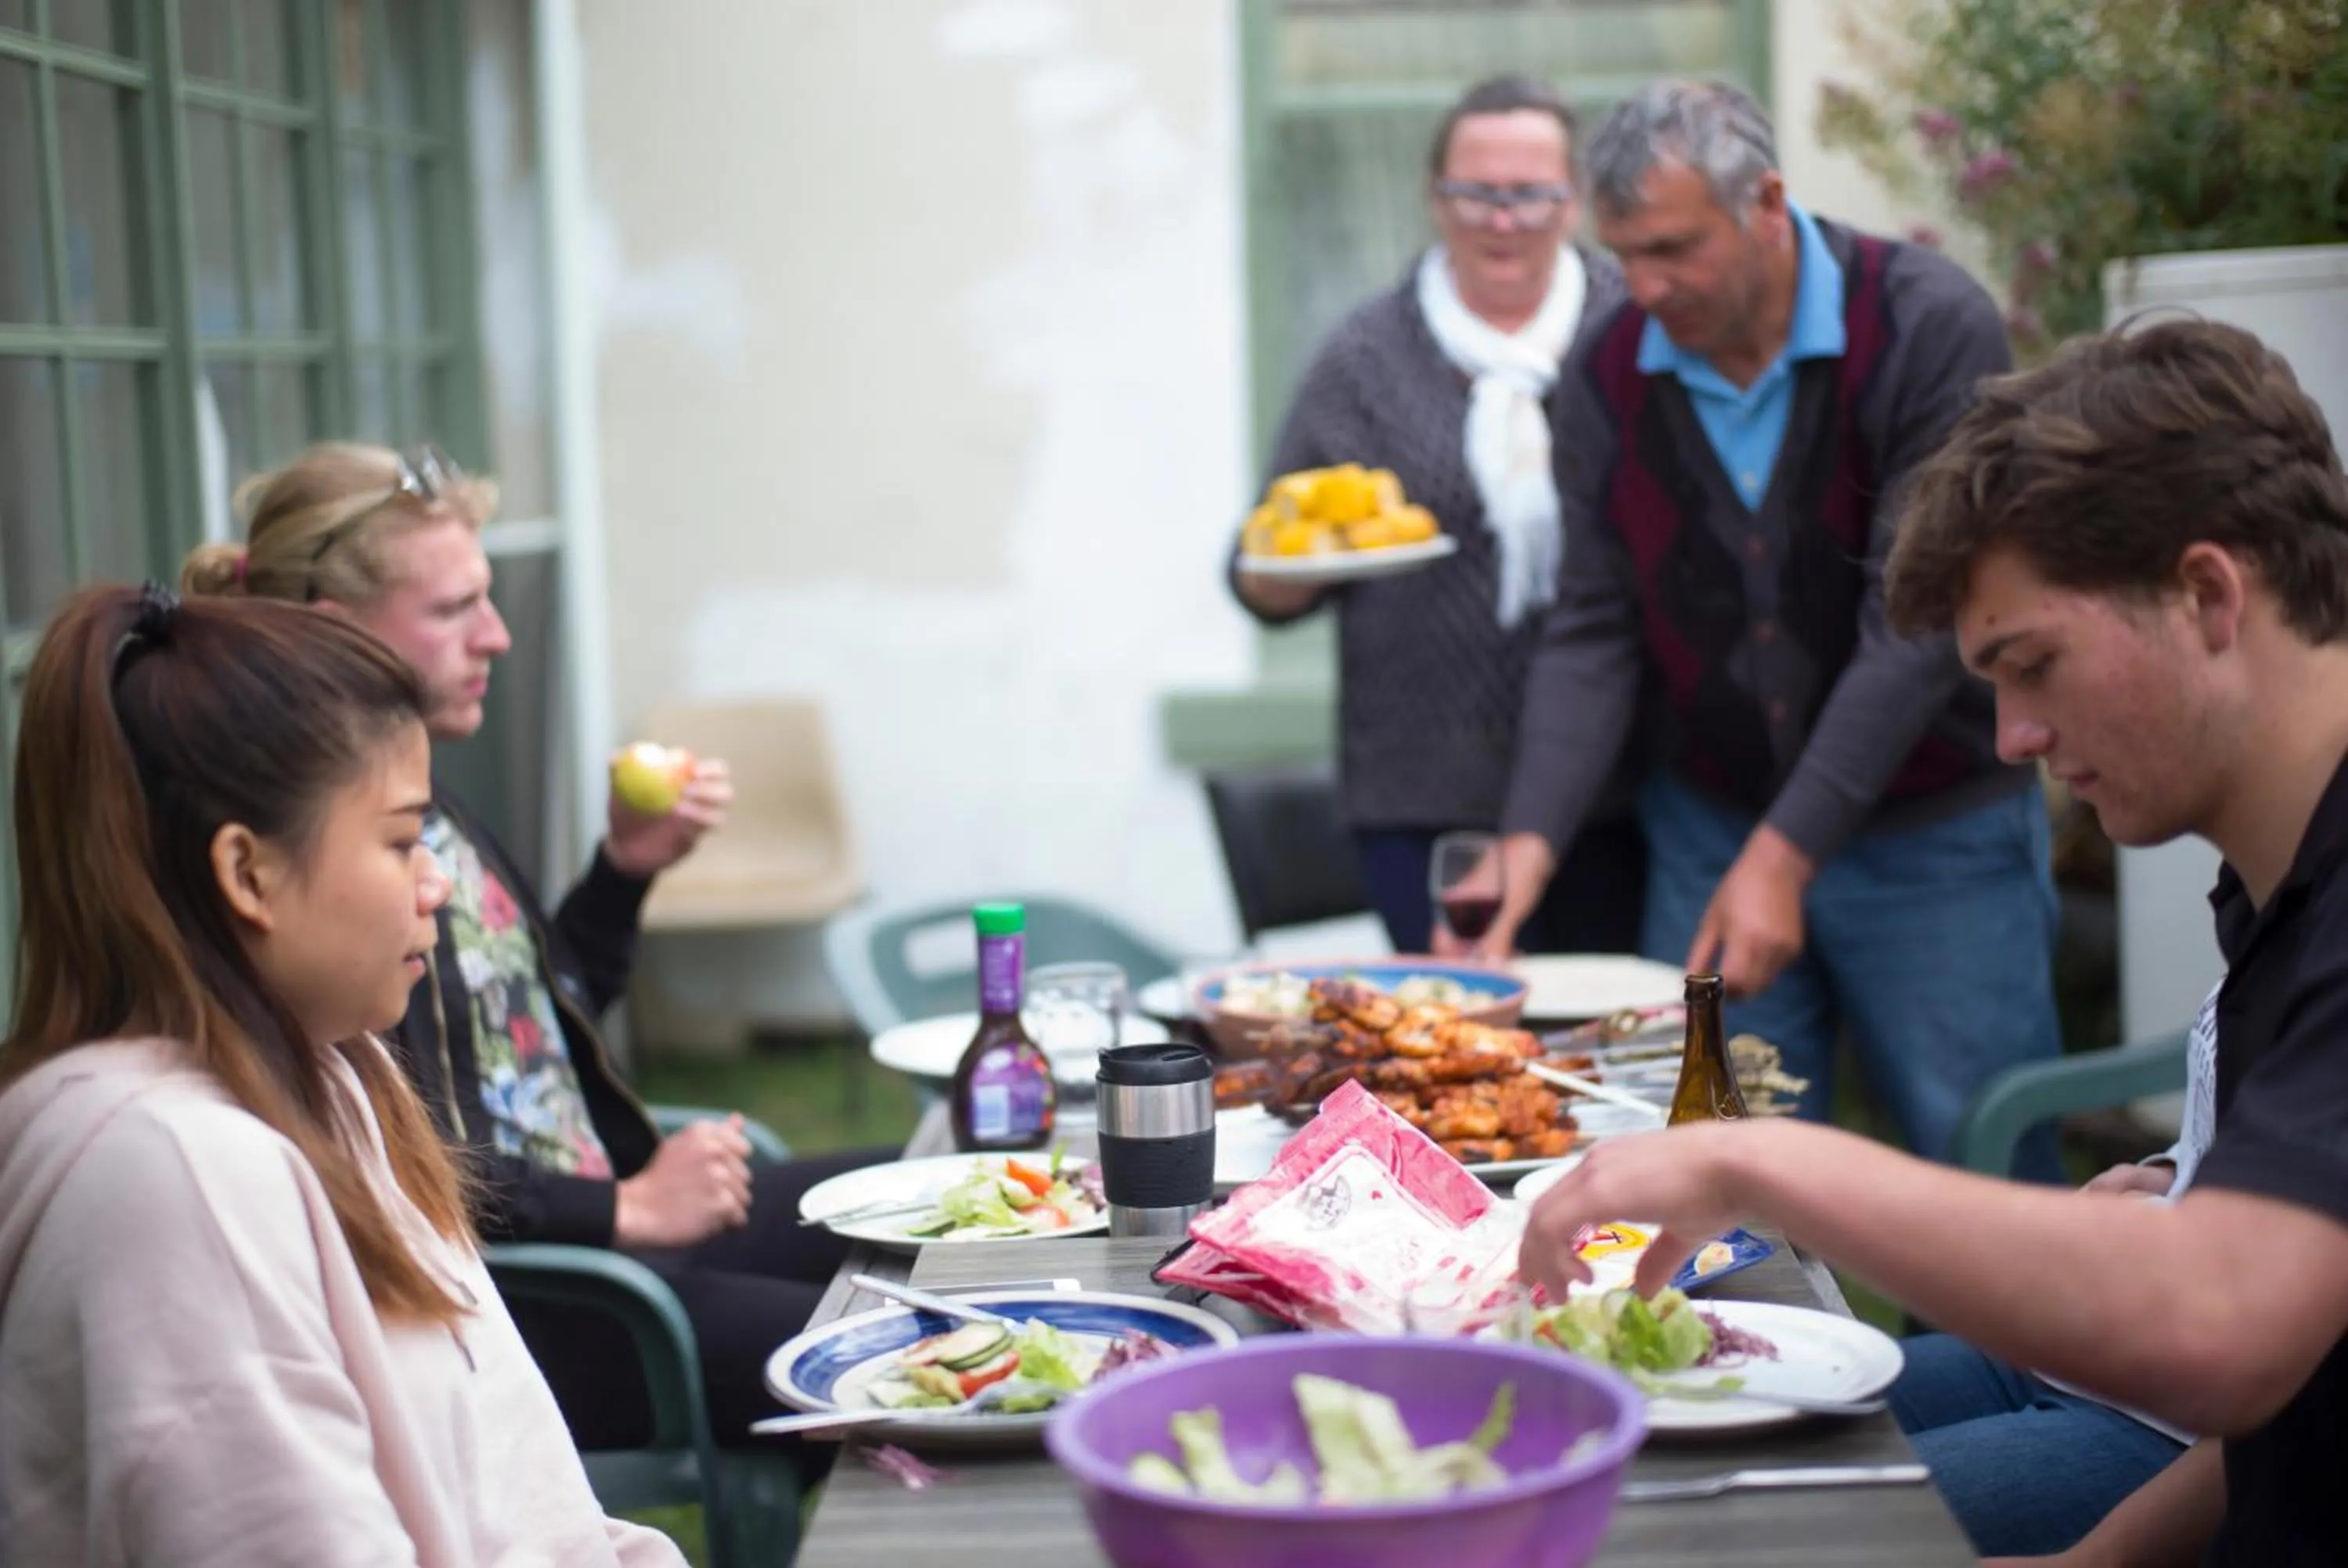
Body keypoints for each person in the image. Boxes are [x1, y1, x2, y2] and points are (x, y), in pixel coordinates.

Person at [1518, 317, 2348, 1566]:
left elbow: (2222, 1325)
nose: (2011, 736)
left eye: (2033, 664)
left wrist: (1759, 1169)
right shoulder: (2275, 879)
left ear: (2208, 595)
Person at [184, 441, 884, 1455]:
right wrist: (627, 1211)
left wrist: (627, 867)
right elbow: (403, 1145)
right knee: (899, 1352)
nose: (499, 636)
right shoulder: (333, 874)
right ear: (336, 635)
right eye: (455, 608)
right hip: (544, 1309)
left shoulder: (426, 809)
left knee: (924, 1214)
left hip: (604, 1245)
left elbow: (536, 1024)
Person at [0, 582, 683, 1566]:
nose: (436, 885)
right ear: (248, 875)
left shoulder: (341, 1076)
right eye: (403, 840)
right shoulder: (179, 1177)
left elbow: (523, 1499)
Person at [1476, 78, 2062, 1171]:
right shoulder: (1605, 373)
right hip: (1711, 822)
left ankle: (2003, 1361)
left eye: (1673, 249)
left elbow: (1919, 614)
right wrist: (1527, 843)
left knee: (1979, 1161)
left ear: (1767, 200)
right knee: (1710, 1163)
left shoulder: (1928, 325)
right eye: (1624, 254)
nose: (1644, 287)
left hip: (1933, 831)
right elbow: (1594, 625)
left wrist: (1786, 857)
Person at [1228, 74, 1647, 956]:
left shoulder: (1635, 330)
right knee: (1451, 1045)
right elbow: (1267, 559)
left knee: (1615, 1055)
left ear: (1573, 201)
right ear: (1435, 197)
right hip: (1417, 790)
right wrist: (1273, 578)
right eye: (1476, 193)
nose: (1503, 219)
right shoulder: (1366, 355)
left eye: (1530, 194)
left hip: (1626, 785)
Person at [1886, 981, 2214, 1555]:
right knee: (1767, 1415)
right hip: (2069, 1346)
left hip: (2177, 1427)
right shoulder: (2277, 922)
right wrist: (2170, 1171)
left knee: (1822, 1514)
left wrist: (2101, 1557)